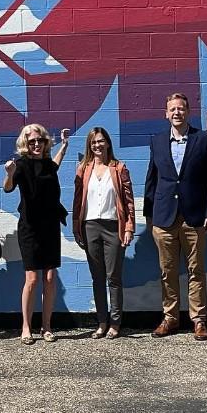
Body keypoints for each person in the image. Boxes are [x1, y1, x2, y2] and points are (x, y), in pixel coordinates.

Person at [143, 93, 207, 341]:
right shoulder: (156, 141)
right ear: (165, 114)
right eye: (172, 109)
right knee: (167, 271)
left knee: (196, 270)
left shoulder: (202, 139)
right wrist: (149, 215)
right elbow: (152, 179)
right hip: (164, 217)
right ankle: (170, 318)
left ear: (188, 112)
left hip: (194, 217)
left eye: (181, 108)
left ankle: (198, 320)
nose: (176, 112)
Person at [4, 124, 70, 345]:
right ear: (25, 143)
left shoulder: (47, 164)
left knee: (50, 278)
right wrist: (10, 173)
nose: (36, 145)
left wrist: (65, 146)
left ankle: (47, 326)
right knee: (31, 279)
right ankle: (26, 326)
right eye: (31, 141)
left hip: (50, 226)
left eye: (39, 141)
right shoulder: (21, 165)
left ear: (45, 142)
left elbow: (54, 167)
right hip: (30, 228)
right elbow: (7, 188)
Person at [71, 127, 134, 339]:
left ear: (107, 143)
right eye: (93, 142)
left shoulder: (118, 168)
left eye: (100, 141)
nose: (97, 145)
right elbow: (77, 200)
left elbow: (128, 202)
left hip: (112, 226)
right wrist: (76, 227)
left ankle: (116, 323)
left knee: (113, 277)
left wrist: (128, 227)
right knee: (97, 278)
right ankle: (101, 322)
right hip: (90, 227)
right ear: (89, 146)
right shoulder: (83, 169)